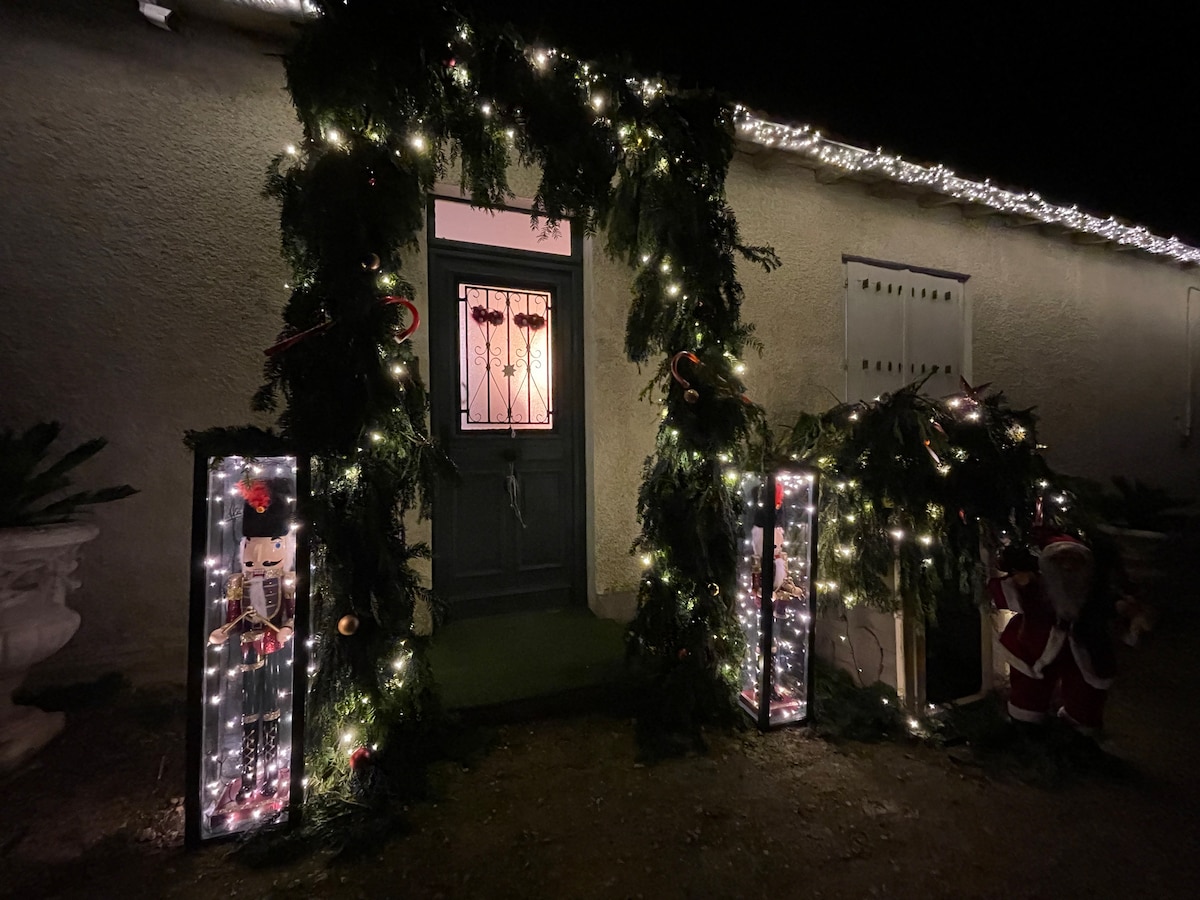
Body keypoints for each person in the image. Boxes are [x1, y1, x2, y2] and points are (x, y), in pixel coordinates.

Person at [208, 477, 296, 807]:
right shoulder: (238, 583)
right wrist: (223, 631)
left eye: (270, 545)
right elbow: (232, 618)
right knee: (249, 711)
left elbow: (290, 614)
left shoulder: (285, 582)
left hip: (272, 648)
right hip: (247, 650)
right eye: (251, 546)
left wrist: (287, 628)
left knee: (271, 708)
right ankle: (247, 778)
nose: (259, 554)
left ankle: (271, 776)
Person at [988, 534, 1116, 736]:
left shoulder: (1094, 592)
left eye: (1075, 561)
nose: (1067, 566)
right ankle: (1027, 722)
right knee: (1029, 686)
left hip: (1083, 643)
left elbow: (1112, 608)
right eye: (1059, 560)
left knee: (1086, 689)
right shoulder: (1035, 587)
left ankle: (1080, 727)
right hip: (1037, 644)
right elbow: (999, 593)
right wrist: (1017, 581)